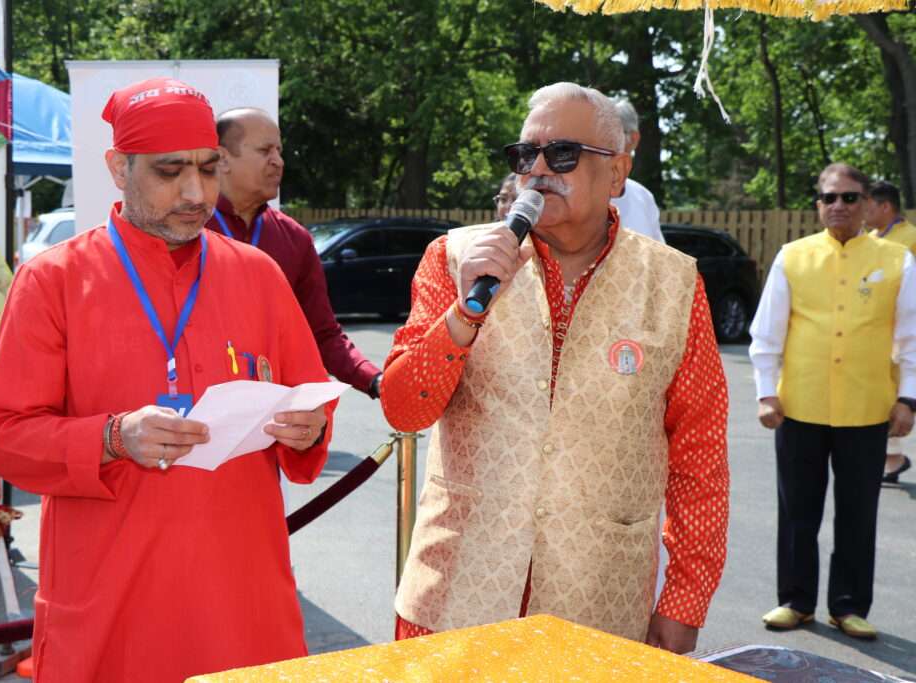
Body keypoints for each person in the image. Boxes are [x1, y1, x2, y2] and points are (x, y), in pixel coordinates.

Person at [0, 78, 335, 682]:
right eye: (170, 172)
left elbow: (313, 404)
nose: (195, 193)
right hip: (110, 600)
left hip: (242, 600)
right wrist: (112, 438)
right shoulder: (54, 281)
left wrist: (307, 428)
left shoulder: (260, 276)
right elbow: (6, 436)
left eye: (208, 169)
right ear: (119, 168)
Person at [382, 82, 729, 654]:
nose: (539, 170)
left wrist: (685, 597)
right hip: (456, 595)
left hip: (599, 603)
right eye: (525, 156)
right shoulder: (453, 259)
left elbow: (701, 456)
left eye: (562, 155)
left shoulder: (674, 284)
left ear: (617, 174)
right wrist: (463, 315)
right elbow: (404, 407)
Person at [750, 163, 916, 640]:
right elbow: (766, 333)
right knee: (798, 510)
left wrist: (908, 399)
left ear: (867, 204)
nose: (838, 206)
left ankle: (848, 606)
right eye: (829, 198)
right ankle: (795, 601)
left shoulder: (897, 259)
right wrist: (766, 393)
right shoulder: (793, 256)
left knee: (859, 512)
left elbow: (910, 338)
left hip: (868, 409)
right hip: (799, 404)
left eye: (849, 197)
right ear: (818, 205)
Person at [207, 107, 383, 398]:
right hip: (202, 410)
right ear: (222, 158)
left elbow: (323, 333)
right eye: (265, 150)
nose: (278, 162)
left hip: (277, 413)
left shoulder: (294, 238)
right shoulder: (187, 230)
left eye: (279, 150)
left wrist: (375, 380)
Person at [866, 180, 916, 483]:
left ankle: (891, 457)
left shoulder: (910, 238)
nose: (863, 212)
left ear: (886, 207)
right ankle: (892, 459)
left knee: (899, 393)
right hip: (878, 330)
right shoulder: (870, 239)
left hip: (906, 329)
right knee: (884, 392)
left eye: (869, 206)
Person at [610, 98, 665, 243]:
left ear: (633, 139)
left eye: (609, 133)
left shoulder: (644, 198)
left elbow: (657, 260)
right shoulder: (572, 197)